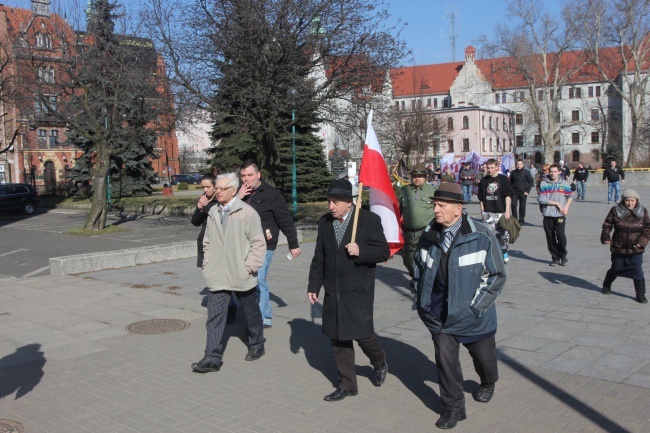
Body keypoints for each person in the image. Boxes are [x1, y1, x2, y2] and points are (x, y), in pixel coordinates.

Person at [414, 182, 506, 430]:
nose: (436, 210)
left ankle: (488, 381)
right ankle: (454, 408)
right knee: (446, 362)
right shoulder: (428, 234)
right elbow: (418, 267)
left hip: (474, 314)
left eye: (441, 205)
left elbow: (496, 275)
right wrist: (421, 297)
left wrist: (476, 307)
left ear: (458, 208)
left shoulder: (481, 234)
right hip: (439, 313)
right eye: (434, 205)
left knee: (484, 358)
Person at [308, 179, 390, 402]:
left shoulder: (368, 220)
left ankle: (379, 360)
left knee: (362, 333)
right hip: (334, 289)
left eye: (335, 202)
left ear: (349, 202)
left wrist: (361, 250)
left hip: (358, 289)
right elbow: (319, 257)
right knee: (338, 337)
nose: (330, 206)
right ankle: (347, 384)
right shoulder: (324, 222)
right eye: (329, 201)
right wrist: (313, 286)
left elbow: (383, 252)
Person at [191, 173, 267, 373]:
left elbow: (259, 244)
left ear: (233, 190)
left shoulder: (247, 212)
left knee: (251, 313)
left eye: (222, 189)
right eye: (217, 188)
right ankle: (212, 357)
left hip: (241, 274)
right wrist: (207, 264)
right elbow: (206, 241)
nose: (218, 192)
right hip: (217, 274)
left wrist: (249, 268)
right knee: (214, 317)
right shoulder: (213, 212)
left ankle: (257, 343)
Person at [237, 161, 301, 329]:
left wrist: (293, 244)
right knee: (247, 280)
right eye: (243, 176)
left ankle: (259, 320)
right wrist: (238, 198)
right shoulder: (238, 193)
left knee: (258, 279)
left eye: (250, 175)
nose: (246, 179)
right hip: (242, 245)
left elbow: (285, 219)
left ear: (258, 175)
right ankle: (265, 315)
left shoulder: (272, 194)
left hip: (265, 244)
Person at [191, 174, 238, 324]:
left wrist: (204, 206)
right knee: (210, 276)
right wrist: (199, 208)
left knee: (223, 278)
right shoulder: (204, 199)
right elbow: (195, 222)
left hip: (219, 245)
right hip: (205, 244)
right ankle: (222, 307)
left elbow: (218, 214)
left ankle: (230, 307)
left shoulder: (220, 200)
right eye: (203, 187)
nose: (205, 190)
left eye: (208, 187)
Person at [600, 189, 650, 304]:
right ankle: (606, 285)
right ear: (623, 200)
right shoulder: (615, 210)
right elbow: (607, 225)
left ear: (636, 200)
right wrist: (606, 237)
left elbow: (648, 229)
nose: (630, 203)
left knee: (637, 270)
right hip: (619, 245)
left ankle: (640, 295)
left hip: (636, 248)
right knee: (616, 268)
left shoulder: (643, 211)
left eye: (632, 200)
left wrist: (641, 242)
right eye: (627, 200)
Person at [398, 163, 436, 287]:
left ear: (425, 177)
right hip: (409, 231)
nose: (417, 178)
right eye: (414, 176)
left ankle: (424, 280)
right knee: (408, 258)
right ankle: (415, 276)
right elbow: (397, 209)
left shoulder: (432, 191)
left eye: (420, 176)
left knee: (426, 257)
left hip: (426, 231)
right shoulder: (404, 191)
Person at [477, 158, 513, 263]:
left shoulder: (503, 179)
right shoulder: (484, 180)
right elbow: (481, 197)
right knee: (488, 235)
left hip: (500, 211)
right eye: (488, 168)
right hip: (488, 212)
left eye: (492, 168)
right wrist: (482, 210)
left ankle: (504, 251)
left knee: (502, 235)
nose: (490, 170)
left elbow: (507, 196)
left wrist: (507, 210)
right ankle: (491, 255)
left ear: (497, 167)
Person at [538, 164, 573, 266]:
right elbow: (541, 198)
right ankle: (555, 257)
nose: (553, 173)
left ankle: (563, 255)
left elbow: (570, 195)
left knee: (561, 236)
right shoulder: (544, 183)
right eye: (551, 171)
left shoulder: (564, 184)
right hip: (548, 214)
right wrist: (556, 203)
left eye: (555, 171)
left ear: (559, 172)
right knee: (550, 237)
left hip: (559, 214)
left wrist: (566, 206)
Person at [509, 159, 534, 225]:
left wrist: (527, 191)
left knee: (522, 206)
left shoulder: (526, 172)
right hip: (514, 192)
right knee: (513, 205)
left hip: (523, 192)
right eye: (518, 164)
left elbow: (530, 182)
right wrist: (510, 191)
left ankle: (521, 220)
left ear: (523, 165)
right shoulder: (513, 172)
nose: (519, 165)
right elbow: (510, 182)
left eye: (520, 164)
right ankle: (515, 219)